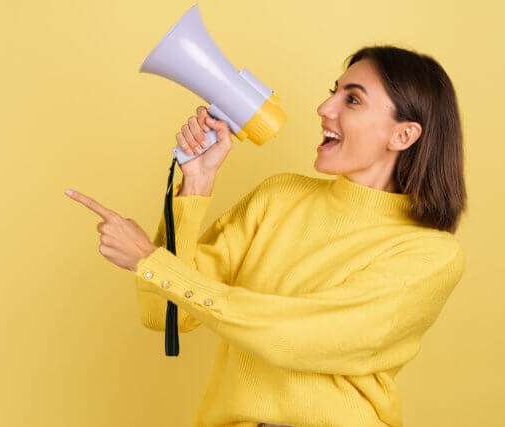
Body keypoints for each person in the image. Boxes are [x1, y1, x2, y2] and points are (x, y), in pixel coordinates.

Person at [134, 45, 466, 427]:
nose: (325, 108)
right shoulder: (279, 196)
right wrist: (196, 183)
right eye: (333, 92)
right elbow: (164, 315)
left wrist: (151, 261)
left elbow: (289, 338)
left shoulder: (429, 254)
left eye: (353, 99)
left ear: (403, 135)